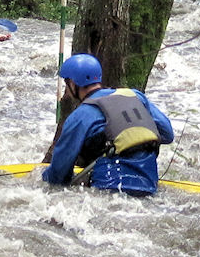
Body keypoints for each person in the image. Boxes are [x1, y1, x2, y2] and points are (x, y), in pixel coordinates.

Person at [42, 53, 174, 196]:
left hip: (107, 189)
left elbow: (59, 172)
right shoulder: (135, 95)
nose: (67, 91)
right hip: (149, 184)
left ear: (73, 84)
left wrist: (40, 178)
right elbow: (167, 134)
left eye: (67, 85)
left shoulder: (80, 116)